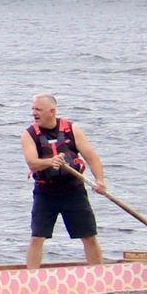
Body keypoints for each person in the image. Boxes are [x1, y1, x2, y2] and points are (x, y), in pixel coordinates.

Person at [24, 92, 106, 268]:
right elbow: (32, 163)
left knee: (88, 235)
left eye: (38, 109)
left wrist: (99, 181)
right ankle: (30, 278)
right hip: (46, 193)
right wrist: (49, 161)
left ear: (51, 111)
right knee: (37, 237)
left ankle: (99, 275)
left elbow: (91, 157)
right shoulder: (29, 134)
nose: (34, 113)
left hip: (73, 191)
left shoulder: (72, 129)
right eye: (33, 109)